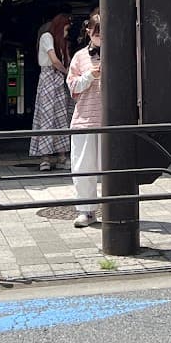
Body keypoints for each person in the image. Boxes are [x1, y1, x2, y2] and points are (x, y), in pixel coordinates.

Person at [67, 13, 104, 229]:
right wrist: (90, 76)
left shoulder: (117, 52)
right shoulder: (80, 56)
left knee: (111, 169)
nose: (99, 37)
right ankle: (86, 210)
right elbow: (72, 87)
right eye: (96, 32)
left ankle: (113, 207)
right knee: (83, 168)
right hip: (85, 118)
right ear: (88, 31)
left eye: (102, 33)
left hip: (111, 120)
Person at [29, 13, 73, 171]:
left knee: (61, 117)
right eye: (66, 29)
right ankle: (45, 157)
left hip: (58, 79)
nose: (67, 33)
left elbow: (64, 58)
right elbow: (54, 60)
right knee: (46, 117)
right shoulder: (47, 37)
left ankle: (61, 156)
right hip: (49, 77)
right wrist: (68, 72)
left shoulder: (62, 41)